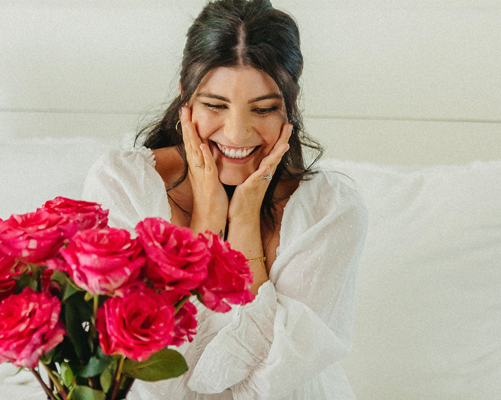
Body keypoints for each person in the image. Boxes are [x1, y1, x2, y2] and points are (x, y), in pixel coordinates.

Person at [82, 0, 368, 398]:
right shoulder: (123, 186)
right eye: (215, 105)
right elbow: (150, 382)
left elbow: (266, 389)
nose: (236, 134)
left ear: (291, 104)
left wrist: (246, 223)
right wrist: (207, 225)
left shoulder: (330, 213)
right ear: (186, 97)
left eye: (264, 109)